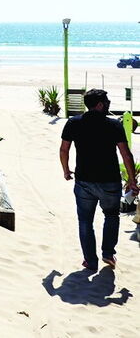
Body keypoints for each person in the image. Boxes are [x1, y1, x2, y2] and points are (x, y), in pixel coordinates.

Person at [60, 88, 138, 270]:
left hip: (84, 182)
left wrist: (66, 170)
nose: (109, 103)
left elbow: (64, 149)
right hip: (109, 181)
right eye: (107, 101)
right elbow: (126, 155)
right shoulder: (114, 125)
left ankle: (90, 260)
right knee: (111, 216)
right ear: (100, 104)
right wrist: (132, 180)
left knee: (85, 220)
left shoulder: (74, 123)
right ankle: (108, 254)